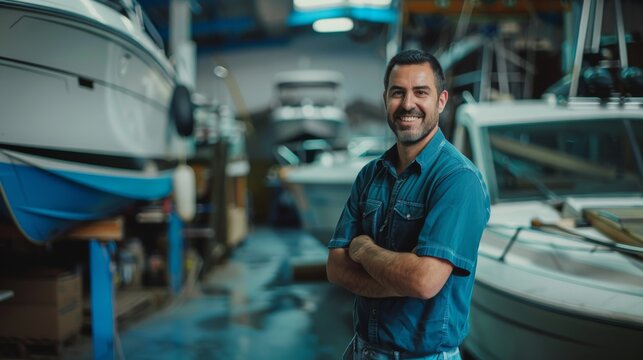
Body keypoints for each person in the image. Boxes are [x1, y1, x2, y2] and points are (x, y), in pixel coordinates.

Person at [326, 49, 490, 360]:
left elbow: (423, 281)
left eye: (421, 92)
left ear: (441, 101)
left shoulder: (458, 180)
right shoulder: (370, 174)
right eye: (397, 92)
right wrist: (400, 279)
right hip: (362, 351)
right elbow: (335, 268)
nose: (408, 104)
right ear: (385, 98)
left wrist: (363, 249)